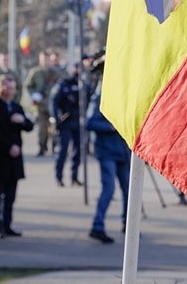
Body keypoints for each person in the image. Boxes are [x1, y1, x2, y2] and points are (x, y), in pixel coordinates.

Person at [84, 57, 129, 244]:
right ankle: (98, 225)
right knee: (108, 189)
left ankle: (128, 223)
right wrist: (111, 126)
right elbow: (90, 122)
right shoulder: (100, 96)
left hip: (123, 150)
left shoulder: (124, 94)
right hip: (107, 151)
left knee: (129, 190)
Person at [0, 74, 33, 239]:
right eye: (5, 88)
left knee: (11, 196)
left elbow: (29, 127)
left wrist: (23, 121)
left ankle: (7, 224)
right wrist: (8, 147)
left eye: (12, 88)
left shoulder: (16, 107)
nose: (9, 91)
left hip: (14, 159)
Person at [25, 50, 62, 156]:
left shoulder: (56, 73)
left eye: (46, 59)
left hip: (52, 105)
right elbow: (28, 85)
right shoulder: (35, 72)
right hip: (40, 105)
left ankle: (54, 147)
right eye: (43, 59)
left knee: (54, 127)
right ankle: (42, 147)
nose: (45, 62)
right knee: (41, 128)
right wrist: (33, 95)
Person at [51, 61, 82, 187]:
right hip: (65, 122)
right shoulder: (64, 84)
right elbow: (53, 101)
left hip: (78, 121)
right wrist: (56, 118)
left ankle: (74, 177)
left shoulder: (83, 84)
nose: (78, 70)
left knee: (77, 151)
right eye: (76, 68)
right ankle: (59, 176)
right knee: (63, 150)